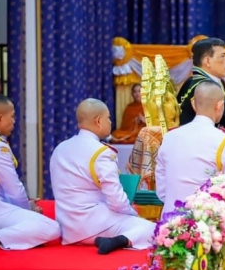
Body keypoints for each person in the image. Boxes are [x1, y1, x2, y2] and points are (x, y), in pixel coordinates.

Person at [50, 98, 155, 254]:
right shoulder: (101, 152)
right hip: (95, 224)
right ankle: (118, 240)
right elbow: (116, 199)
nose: (111, 122)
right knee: (153, 229)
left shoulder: (60, 148)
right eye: (109, 118)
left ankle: (113, 241)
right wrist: (133, 214)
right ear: (98, 121)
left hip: (67, 228)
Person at [156, 81, 225, 216]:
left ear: (194, 105)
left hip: (169, 220)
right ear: (219, 105)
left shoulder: (169, 137)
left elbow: (162, 189)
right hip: (207, 222)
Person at [0, 94, 60, 249]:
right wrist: (27, 212)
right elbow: (13, 189)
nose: (14, 121)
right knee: (52, 228)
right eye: (12, 116)